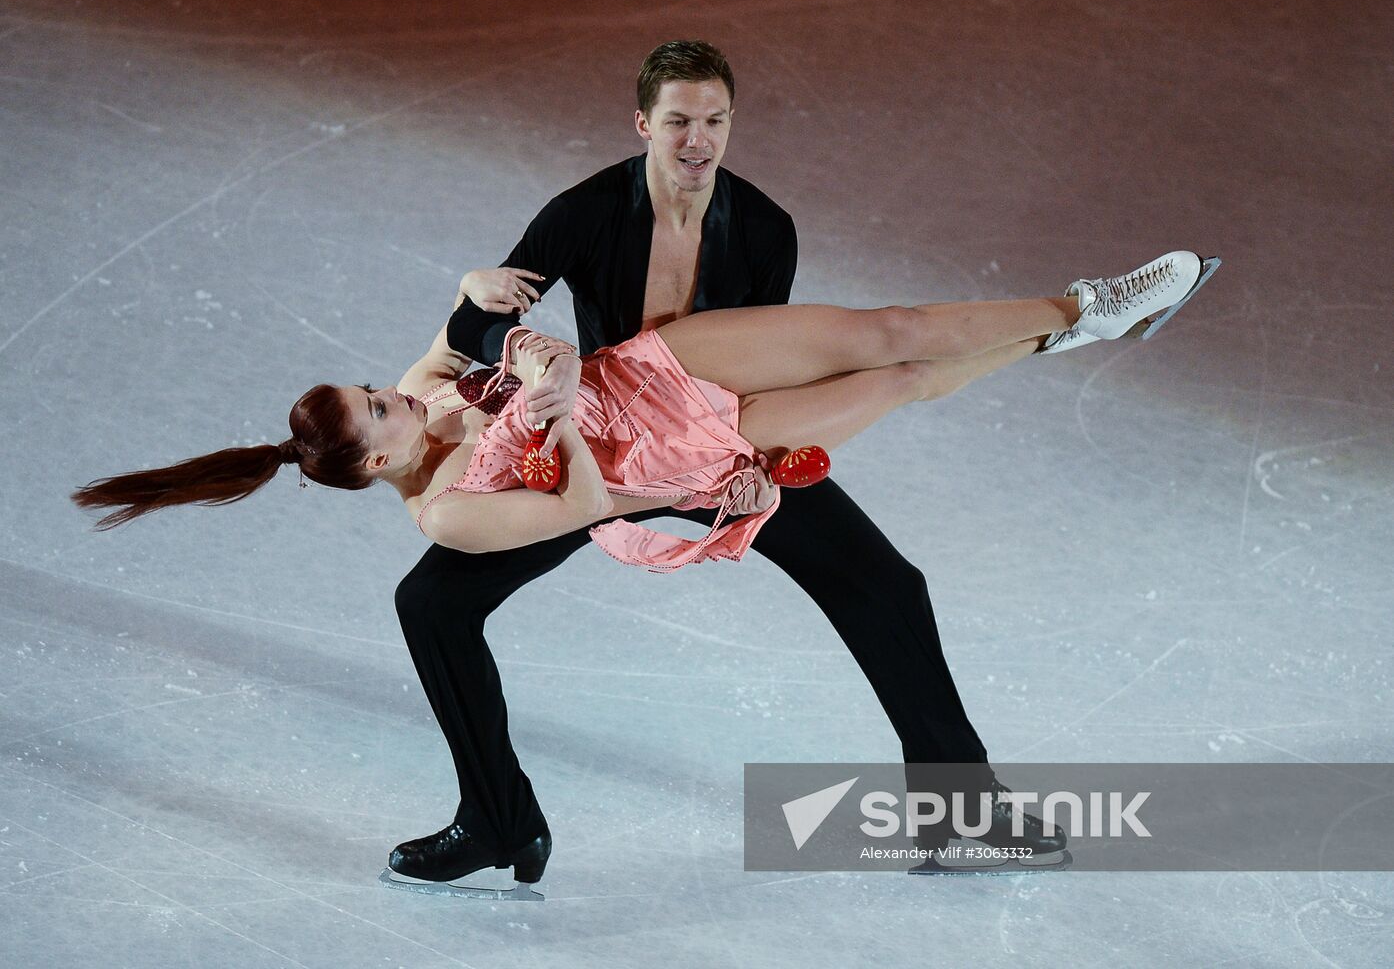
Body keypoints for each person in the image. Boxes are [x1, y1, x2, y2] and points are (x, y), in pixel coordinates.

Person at [73, 228, 1214, 883]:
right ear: (376, 468)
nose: (397, 395)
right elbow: (583, 503)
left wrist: (479, 305)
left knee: (890, 329)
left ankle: (1084, 304)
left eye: (376, 391)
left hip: (650, 369)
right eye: (380, 412)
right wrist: (554, 411)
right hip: (673, 450)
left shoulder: (421, 395)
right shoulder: (449, 518)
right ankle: (1063, 335)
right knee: (898, 384)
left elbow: (450, 343)